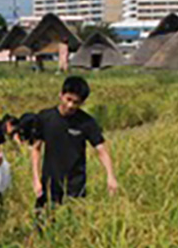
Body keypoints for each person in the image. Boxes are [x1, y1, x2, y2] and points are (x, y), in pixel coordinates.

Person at [31, 76, 118, 211]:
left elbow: (101, 150)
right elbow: (36, 149)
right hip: (49, 183)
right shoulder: (45, 117)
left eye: (76, 102)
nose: (70, 105)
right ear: (61, 95)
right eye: (68, 99)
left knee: (74, 222)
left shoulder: (86, 122)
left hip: (75, 184)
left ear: (82, 103)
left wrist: (110, 176)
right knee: (43, 223)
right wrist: (36, 179)